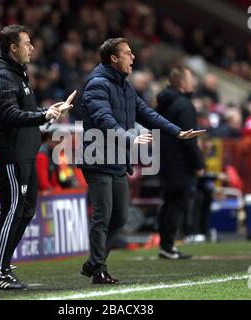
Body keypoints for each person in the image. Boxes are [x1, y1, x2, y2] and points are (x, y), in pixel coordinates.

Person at [79, 38, 205, 284]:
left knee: (120, 217)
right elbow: (103, 118)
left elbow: (147, 114)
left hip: (117, 161)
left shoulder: (125, 86)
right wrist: (127, 138)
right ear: (113, 59)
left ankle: (94, 262)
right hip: (98, 160)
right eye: (127, 53)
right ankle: (99, 269)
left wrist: (177, 132)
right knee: (103, 216)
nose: (133, 57)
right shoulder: (97, 85)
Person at [0, 25, 74, 290]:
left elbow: (24, 111)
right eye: (27, 43)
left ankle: (4, 265)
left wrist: (48, 111)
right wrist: (43, 116)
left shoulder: (17, 73)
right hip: (10, 155)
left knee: (26, 210)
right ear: (13, 48)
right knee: (11, 210)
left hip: (26, 154)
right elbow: (9, 115)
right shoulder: (2, 77)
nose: (32, 48)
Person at [156, 68, 205, 258]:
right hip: (180, 163)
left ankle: (165, 245)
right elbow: (189, 137)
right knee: (176, 204)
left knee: (168, 203)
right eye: (191, 80)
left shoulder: (163, 104)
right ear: (183, 84)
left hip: (164, 160)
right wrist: (198, 163)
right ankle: (168, 246)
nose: (193, 83)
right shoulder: (184, 105)